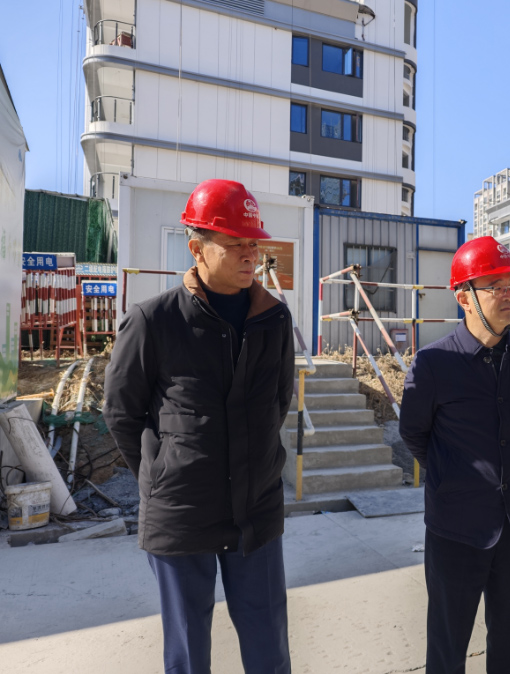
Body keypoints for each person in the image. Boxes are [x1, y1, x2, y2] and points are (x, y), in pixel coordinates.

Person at [104, 179, 294, 674]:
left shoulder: (274, 319)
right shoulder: (153, 321)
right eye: (235, 243)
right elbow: (121, 412)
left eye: (254, 242)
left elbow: (279, 402)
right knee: (188, 654)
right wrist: (162, 474)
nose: (250, 254)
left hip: (255, 510)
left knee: (269, 649)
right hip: (182, 513)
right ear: (197, 248)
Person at [399, 237, 510, 674]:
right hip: (456, 529)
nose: (509, 295)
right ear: (463, 297)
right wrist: (456, 478)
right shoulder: (433, 364)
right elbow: (414, 434)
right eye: (495, 287)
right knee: (447, 649)